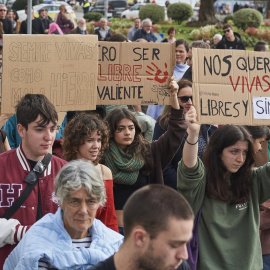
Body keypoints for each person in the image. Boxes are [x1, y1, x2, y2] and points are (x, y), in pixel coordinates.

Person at [178, 107, 270, 270]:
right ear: (217, 151)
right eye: (234, 151)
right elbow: (189, 168)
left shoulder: (253, 179)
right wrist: (192, 134)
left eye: (244, 152)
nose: (240, 159)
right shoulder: (201, 182)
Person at [104, 76, 187, 233]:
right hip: (110, 231)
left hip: (142, 230)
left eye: (131, 127)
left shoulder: (149, 152)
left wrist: (174, 96)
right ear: (111, 132)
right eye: (120, 129)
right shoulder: (101, 156)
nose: (127, 132)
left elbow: (176, 129)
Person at [4, 160, 123, 269]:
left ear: (99, 203)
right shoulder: (38, 244)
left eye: (91, 201)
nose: (83, 210)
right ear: (60, 201)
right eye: (74, 201)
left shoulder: (114, 243)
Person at [0, 94, 67, 268]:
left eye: (53, 129)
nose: (49, 137)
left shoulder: (67, 172)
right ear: (21, 130)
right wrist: (18, 232)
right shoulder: (1, 167)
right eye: (39, 129)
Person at [88, 184, 194, 270]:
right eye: (175, 245)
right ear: (140, 238)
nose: (184, 255)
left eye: (185, 243)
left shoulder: (179, 267)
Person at [153, 79, 216, 189]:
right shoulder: (163, 124)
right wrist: (186, 185)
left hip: (205, 190)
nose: (190, 102)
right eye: (184, 99)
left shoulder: (207, 126)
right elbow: (162, 163)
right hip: (177, 190)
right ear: (174, 99)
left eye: (193, 98)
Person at [62, 113, 118, 232]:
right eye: (90, 140)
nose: (96, 146)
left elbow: (109, 217)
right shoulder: (63, 170)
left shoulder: (104, 172)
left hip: (98, 241)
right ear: (75, 142)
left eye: (99, 140)